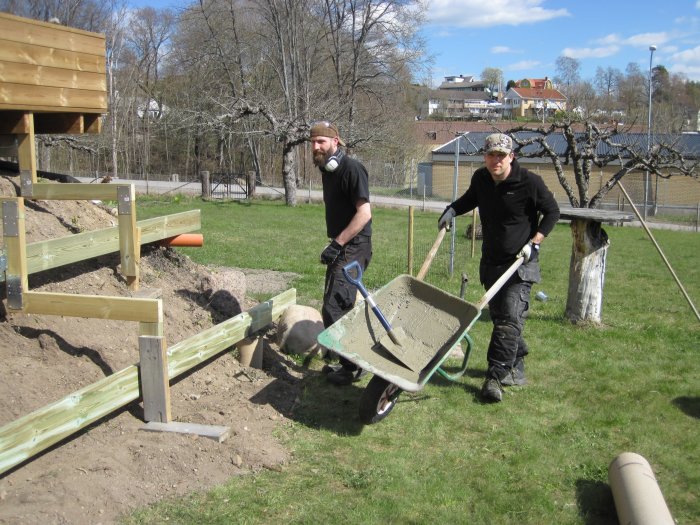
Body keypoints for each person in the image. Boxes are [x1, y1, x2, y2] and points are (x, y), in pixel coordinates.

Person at [438, 133, 560, 402]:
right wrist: (452, 210)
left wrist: (535, 242)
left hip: (520, 264)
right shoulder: (481, 179)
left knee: (508, 322)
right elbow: (471, 198)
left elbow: (553, 212)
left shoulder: (529, 182)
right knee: (504, 320)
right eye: (491, 155)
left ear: (511, 157)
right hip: (491, 263)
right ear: (485, 156)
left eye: (501, 156)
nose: (496, 160)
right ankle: (517, 361)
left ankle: (494, 378)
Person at [310, 120, 373, 386]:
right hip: (342, 245)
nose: (316, 147)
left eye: (321, 142)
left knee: (334, 305)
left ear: (336, 142)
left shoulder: (352, 169)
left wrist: (337, 243)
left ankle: (354, 366)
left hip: (355, 246)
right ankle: (350, 361)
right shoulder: (327, 170)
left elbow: (365, 213)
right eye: (313, 142)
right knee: (338, 303)